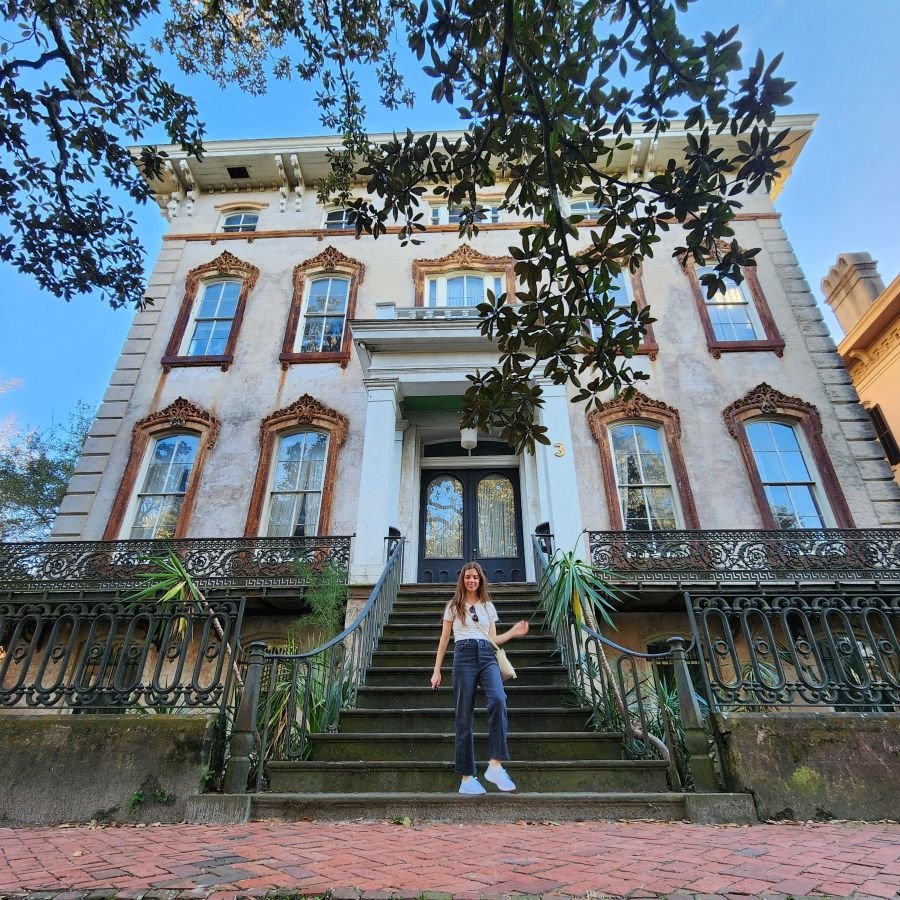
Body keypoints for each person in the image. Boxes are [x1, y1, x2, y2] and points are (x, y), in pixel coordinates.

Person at [430, 562, 529, 795]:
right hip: (463, 656)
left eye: (475, 577)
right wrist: (436, 670)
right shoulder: (453, 606)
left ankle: (495, 765)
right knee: (464, 716)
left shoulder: (487, 606)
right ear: (462, 580)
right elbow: (444, 640)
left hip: (487, 656)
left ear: (481, 580)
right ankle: (466, 778)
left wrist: (514, 632)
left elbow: (494, 638)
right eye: (467, 577)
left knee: (498, 699)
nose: (471, 580)